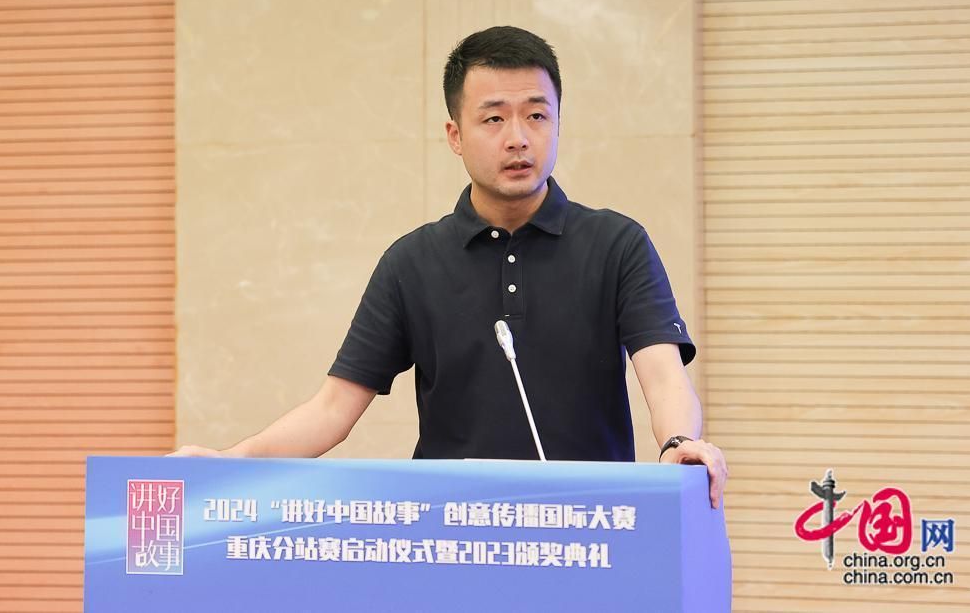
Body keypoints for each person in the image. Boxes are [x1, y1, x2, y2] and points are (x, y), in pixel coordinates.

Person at [172, 26, 728, 509]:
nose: (518, 138)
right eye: (494, 118)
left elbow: (663, 376)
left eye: (537, 115)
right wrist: (232, 461)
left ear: (558, 122)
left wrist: (678, 444)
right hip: (453, 533)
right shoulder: (412, 262)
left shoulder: (617, 244)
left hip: (591, 529)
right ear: (455, 136)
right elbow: (333, 409)